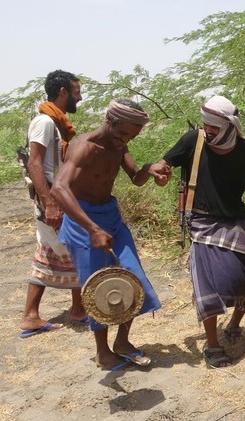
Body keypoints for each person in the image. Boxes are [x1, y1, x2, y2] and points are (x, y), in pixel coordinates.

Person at [154, 95, 245, 368]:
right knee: (208, 284)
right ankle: (212, 344)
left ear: (229, 126)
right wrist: (159, 173)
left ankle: (234, 324)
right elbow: (164, 165)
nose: (208, 131)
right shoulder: (192, 141)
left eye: (213, 127)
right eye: (206, 125)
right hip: (202, 223)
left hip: (234, 223)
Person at [51, 99, 171, 371]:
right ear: (110, 121)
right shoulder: (84, 147)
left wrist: (149, 170)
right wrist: (92, 229)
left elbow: (135, 178)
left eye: (133, 135)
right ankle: (103, 353)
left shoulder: (119, 144)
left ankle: (123, 342)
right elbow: (59, 189)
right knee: (97, 288)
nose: (127, 139)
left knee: (133, 279)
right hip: (83, 221)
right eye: (125, 133)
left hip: (111, 216)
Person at [20, 69, 86, 338]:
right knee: (69, 247)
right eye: (76, 92)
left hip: (57, 198)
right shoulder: (45, 123)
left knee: (57, 250)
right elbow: (34, 163)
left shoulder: (57, 124)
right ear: (63, 92)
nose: (79, 98)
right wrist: (49, 203)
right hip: (51, 200)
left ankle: (76, 309)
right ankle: (32, 316)